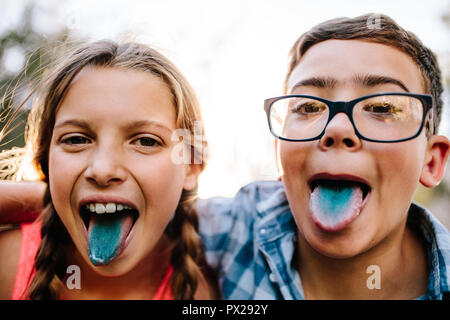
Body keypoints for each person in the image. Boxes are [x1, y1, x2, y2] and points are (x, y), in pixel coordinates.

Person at [2, 13, 450, 300]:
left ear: (432, 160)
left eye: (382, 108)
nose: (335, 128)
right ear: (280, 153)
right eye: (308, 107)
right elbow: (152, 199)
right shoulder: (234, 229)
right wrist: (56, 193)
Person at [0, 40, 217, 299]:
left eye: (146, 141)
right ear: (45, 160)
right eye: (76, 139)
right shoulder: (7, 266)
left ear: (190, 166)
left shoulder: (199, 292)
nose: (102, 170)